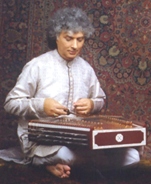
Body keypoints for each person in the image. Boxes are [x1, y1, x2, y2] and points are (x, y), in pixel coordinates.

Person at [1, 7, 140, 179]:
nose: (75, 46)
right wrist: (41, 105)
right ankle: (62, 163)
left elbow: (100, 99)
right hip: (43, 140)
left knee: (133, 157)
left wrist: (91, 104)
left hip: (78, 142)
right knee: (65, 154)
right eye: (69, 39)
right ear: (57, 37)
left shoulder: (86, 69)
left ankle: (57, 164)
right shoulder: (37, 65)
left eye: (80, 40)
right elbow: (10, 103)